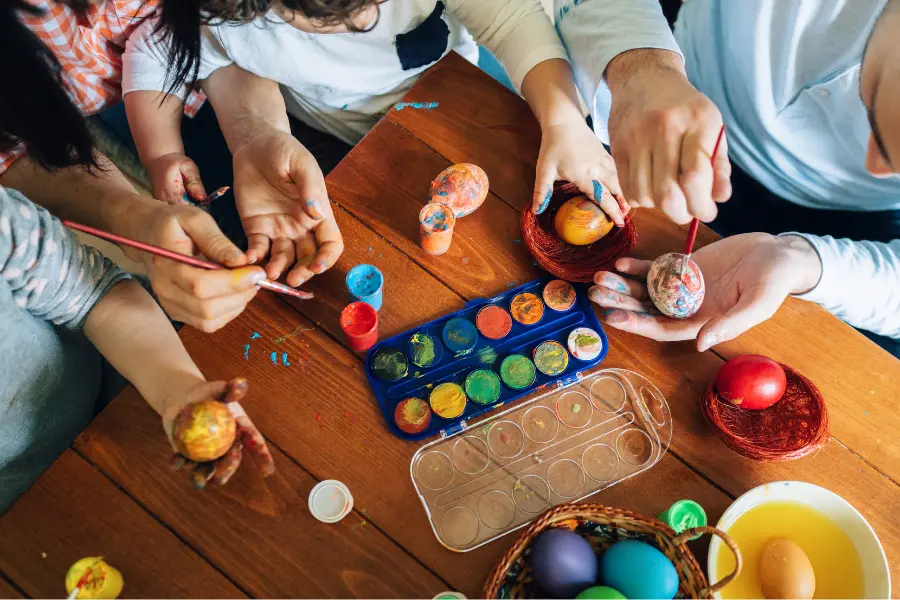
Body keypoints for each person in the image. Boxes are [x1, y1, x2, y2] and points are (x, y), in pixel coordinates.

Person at [555, 0, 900, 356]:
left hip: (855, 226)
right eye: (873, 105)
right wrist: (638, 64)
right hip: (666, 109)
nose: (874, 165)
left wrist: (805, 261)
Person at [120, 0, 630, 234]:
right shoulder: (228, 21)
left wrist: (564, 121)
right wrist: (163, 151)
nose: (368, 20)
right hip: (328, 138)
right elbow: (152, 54)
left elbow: (512, 18)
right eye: (336, 17)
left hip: (449, 102)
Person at [1, 0, 341, 333]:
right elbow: (12, 150)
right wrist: (133, 216)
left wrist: (252, 130)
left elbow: (218, 30)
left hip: (215, 88)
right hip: (116, 117)